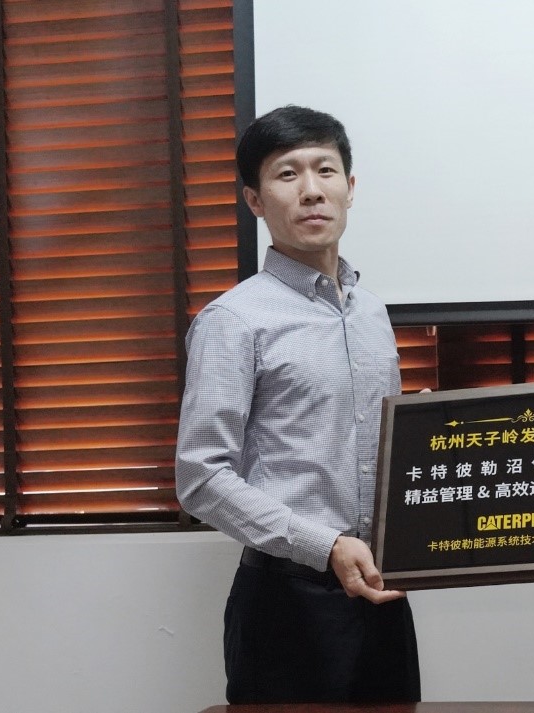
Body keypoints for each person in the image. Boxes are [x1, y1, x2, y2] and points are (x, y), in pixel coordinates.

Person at [175, 105, 419, 704]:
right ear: (255, 200)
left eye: (325, 170)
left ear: (350, 187)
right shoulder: (233, 320)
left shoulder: (372, 312)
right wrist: (325, 546)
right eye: (288, 174)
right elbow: (200, 477)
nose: (311, 190)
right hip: (286, 602)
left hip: (383, 590)